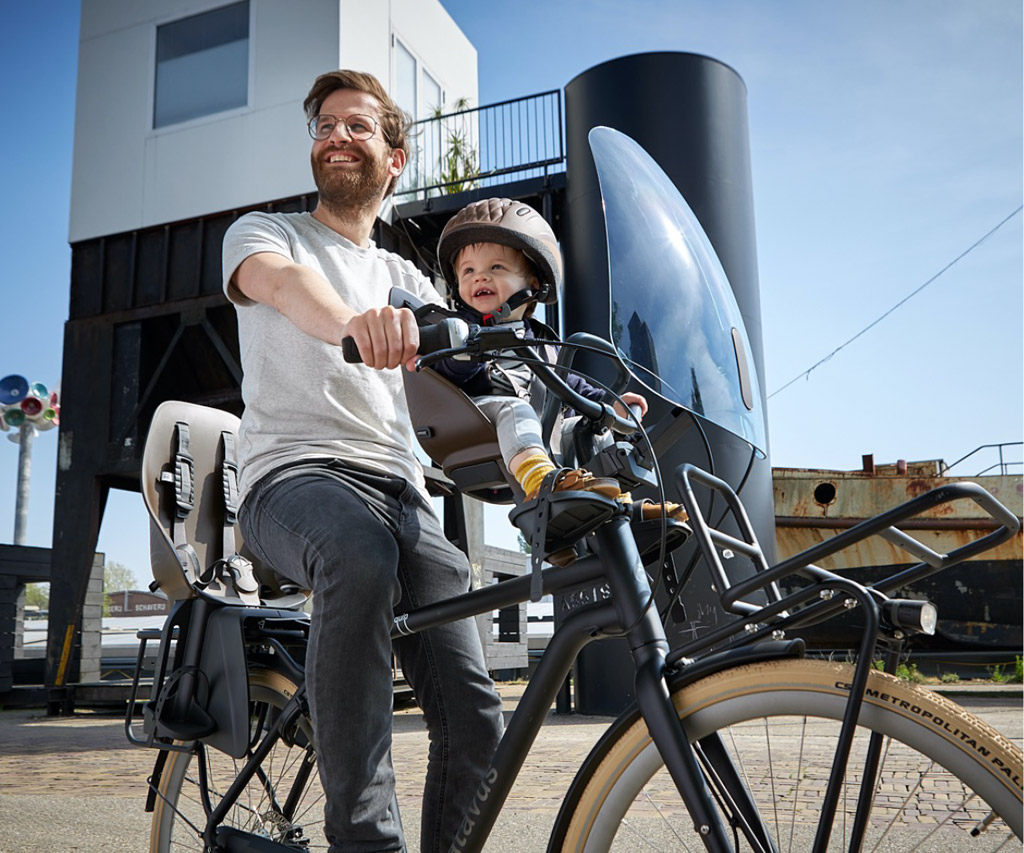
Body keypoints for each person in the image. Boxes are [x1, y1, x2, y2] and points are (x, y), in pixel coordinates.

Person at [221, 70, 504, 853]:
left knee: (476, 714)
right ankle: (365, 842)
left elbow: (479, 363)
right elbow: (285, 289)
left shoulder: (410, 279)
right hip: (290, 477)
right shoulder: (264, 233)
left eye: (357, 126)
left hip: (401, 489)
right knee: (358, 552)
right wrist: (354, 323)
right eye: (324, 125)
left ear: (395, 158)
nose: (336, 136)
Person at [432, 198, 688, 548]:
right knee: (515, 408)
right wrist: (464, 349)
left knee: (591, 430)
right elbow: (451, 370)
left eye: (496, 267)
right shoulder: (461, 328)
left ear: (534, 283)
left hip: (538, 431)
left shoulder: (541, 342)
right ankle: (542, 486)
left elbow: (569, 383)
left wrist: (607, 401)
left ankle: (618, 509)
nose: (480, 276)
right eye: (468, 271)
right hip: (478, 419)